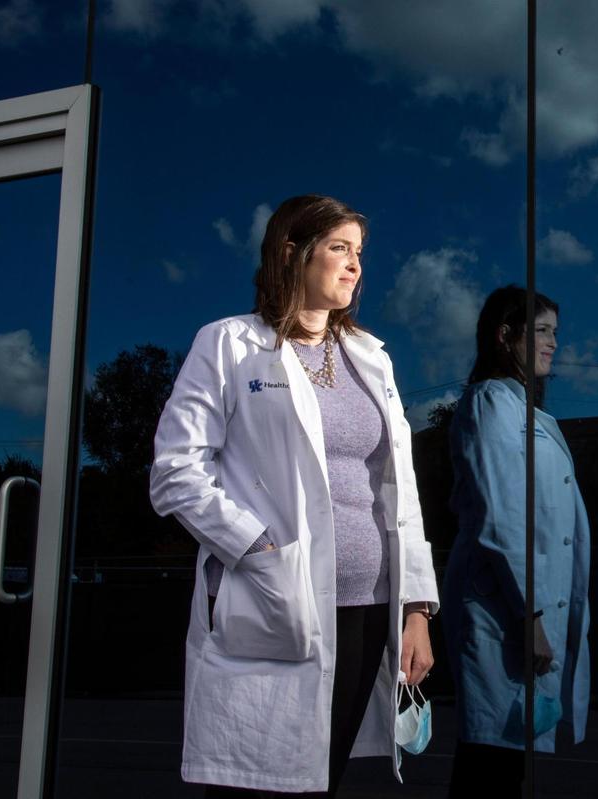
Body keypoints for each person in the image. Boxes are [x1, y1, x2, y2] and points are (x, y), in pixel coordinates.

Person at [149, 195, 439, 797]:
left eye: (359, 252)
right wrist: (256, 547)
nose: (355, 265)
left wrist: (415, 607)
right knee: (255, 785)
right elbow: (176, 472)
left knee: (323, 780)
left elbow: (401, 491)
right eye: (339, 248)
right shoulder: (228, 344)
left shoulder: (371, 360)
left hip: (368, 606)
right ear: (291, 252)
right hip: (274, 597)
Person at [440, 285, 591, 796]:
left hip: (523, 611)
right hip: (505, 613)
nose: (553, 343)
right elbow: (501, 517)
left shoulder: (523, 410)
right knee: (489, 768)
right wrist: (531, 618)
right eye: (541, 331)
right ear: (506, 336)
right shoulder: (490, 402)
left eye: (555, 333)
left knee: (503, 768)